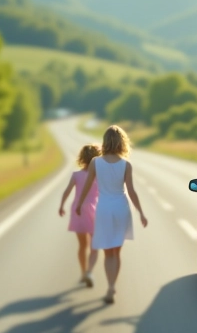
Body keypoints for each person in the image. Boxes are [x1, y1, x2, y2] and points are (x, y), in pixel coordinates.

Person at [76, 125, 148, 304]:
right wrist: (141, 212)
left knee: (108, 253)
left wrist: (80, 203)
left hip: (104, 209)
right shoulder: (126, 165)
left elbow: (87, 185)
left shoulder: (95, 163)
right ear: (122, 142)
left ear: (105, 142)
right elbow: (131, 191)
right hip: (121, 208)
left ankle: (109, 286)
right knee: (117, 252)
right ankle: (111, 287)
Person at [58, 144, 102, 287]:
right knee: (95, 245)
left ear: (81, 158)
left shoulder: (76, 175)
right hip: (94, 210)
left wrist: (61, 205)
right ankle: (89, 271)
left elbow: (67, 191)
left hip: (78, 210)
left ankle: (83, 273)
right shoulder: (98, 176)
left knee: (82, 245)